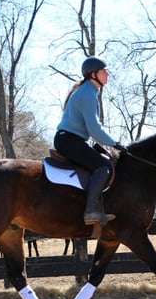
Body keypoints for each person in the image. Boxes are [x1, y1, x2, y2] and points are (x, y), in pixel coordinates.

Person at [54, 56, 126, 225]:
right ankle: (91, 211)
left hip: (72, 139)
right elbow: (94, 128)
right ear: (94, 75)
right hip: (70, 140)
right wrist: (115, 143)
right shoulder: (87, 92)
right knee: (103, 167)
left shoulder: (89, 90)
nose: (107, 74)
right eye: (104, 71)